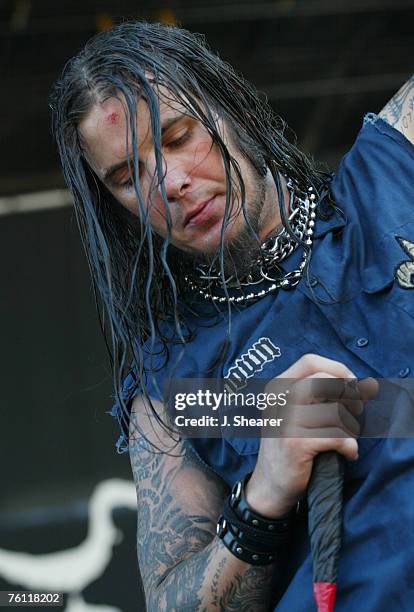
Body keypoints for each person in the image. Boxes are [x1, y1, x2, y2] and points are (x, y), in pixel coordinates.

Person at [50, 20, 414, 611]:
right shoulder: (174, 388)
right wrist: (262, 497)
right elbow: (171, 601)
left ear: (230, 106)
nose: (166, 184)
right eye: (126, 176)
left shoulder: (396, 168)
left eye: (177, 135)